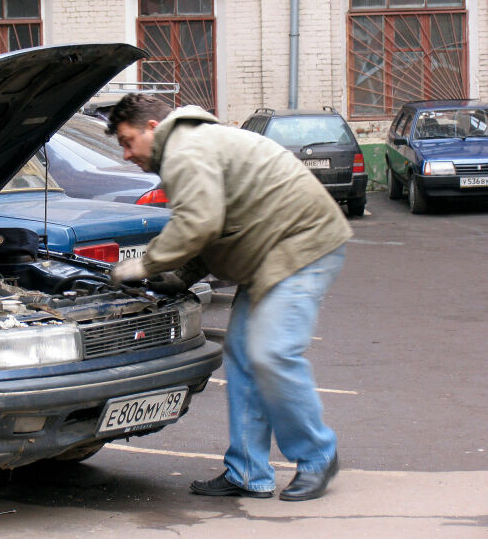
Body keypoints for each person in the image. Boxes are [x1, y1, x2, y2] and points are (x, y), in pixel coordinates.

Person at [106, 94, 352, 501]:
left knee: (271, 353)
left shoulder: (186, 147)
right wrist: (180, 275)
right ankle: (248, 472)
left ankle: (317, 456)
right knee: (242, 352)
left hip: (303, 247)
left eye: (128, 141)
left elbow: (198, 223)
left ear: (152, 128)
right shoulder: (193, 145)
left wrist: (143, 266)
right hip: (271, 255)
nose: (128, 154)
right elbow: (221, 224)